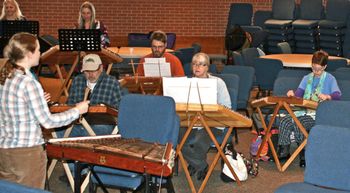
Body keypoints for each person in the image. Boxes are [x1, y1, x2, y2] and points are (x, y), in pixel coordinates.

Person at [0, 32, 89, 189]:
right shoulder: (29, 83)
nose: (40, 53)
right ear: (29, 54)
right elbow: (48, 122)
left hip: (6, 150)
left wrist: (40, 101)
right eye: (38, 50)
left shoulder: (6, 77)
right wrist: (77, 110)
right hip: (27, 152)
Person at [277, 50, 341, 167]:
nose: (316, 72)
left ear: (325, 66)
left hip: (320, 114)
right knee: (284, 121)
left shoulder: (330, 79)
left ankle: (304, 152)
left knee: (299, 123)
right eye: (313, 68)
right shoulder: (307, 78)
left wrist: (328, 96)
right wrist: (292, 95)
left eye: (319, 69)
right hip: (304, 111)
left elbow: (338, 96)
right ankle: (284, 151)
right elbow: (298, 95)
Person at [180, 52, 231, 181]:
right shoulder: (187, 83)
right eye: (195, 64)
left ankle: (194, 163)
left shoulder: (218, 83)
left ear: (207, 67)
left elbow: (227, 107)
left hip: (212, 123)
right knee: (174, 138)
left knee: (198, 141)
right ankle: (200, 164)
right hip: (191, 122)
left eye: (201, 64)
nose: (197, 67)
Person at [56, 53, 122, 137]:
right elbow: (70, 104)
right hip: (77, 124)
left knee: (91, 132)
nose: (90, 74)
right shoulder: (77, 81)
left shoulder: (112, 82)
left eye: (93, 70)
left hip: (102, 124)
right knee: (58, 133)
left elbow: (119, 108)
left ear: (101, 68)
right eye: (87, 71)